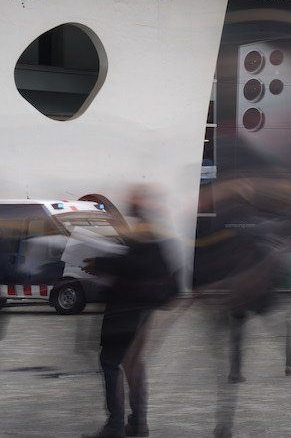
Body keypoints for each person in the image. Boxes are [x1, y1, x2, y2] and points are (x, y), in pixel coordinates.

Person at [83, 187, 178, 438]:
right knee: (133, 364)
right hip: (139, 307)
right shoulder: (150, 231)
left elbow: (137, 265)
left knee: (111, 362)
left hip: (128, 308)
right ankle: (138, 423)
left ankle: (116, 425)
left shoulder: (144, 233)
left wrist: (100, 264)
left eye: (133, 202)